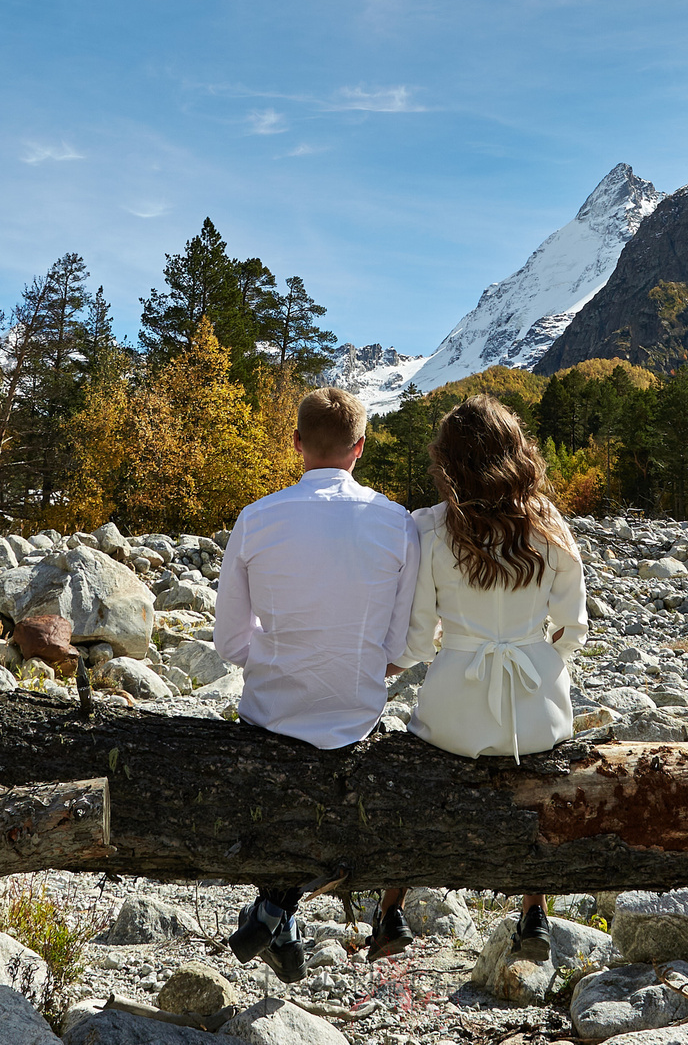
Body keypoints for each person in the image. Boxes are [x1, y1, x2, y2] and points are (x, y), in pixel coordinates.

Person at [367, 393, 587, 962]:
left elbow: (417, 639)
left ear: (449, 462)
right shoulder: (547, 522)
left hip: (454, 709)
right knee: (537, 793)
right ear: (516, 453)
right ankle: (534, 912)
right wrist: (543, 665)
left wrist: (377, 670)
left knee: (419, 789)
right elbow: (573, 625)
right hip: (538, 706)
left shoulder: (430, 528)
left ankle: (391, 910)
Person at [214, 385, 418, 981]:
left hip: (271, 709)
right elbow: (403, 648)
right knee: (330, 770)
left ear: (296, 442)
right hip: (355, 710)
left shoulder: (255, 519)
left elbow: (229, 644)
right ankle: (280, 911)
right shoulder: (397, 523)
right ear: (360, 447)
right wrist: (357, 660)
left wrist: (282, 654)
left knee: (275, 759)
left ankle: (278, 908)